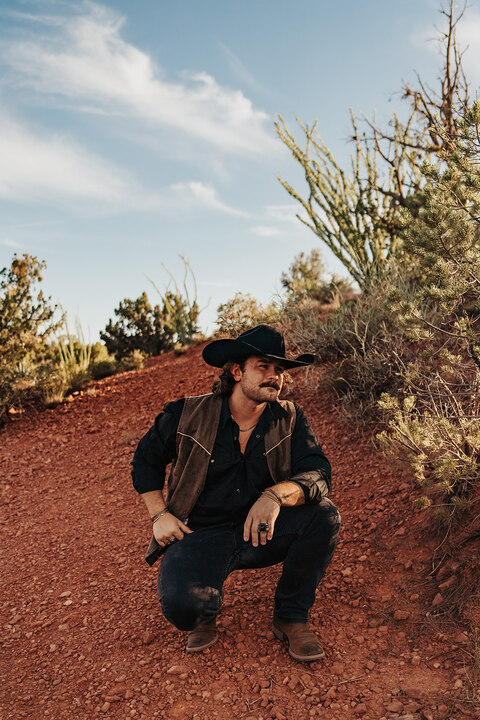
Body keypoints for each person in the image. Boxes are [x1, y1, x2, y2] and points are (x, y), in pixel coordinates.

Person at [131, 325, 340, 662]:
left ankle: (290, 617)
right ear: (236, 370)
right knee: (184, 609)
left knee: (323, 515)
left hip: (261, 531)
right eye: (264, 366)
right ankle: (205, 611)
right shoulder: (187, 414)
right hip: (201, 533)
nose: (274, 377)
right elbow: (145, 460)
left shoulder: (289, 417)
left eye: (280, 370)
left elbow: (318, 473)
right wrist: (159, 514)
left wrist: (274, 496)